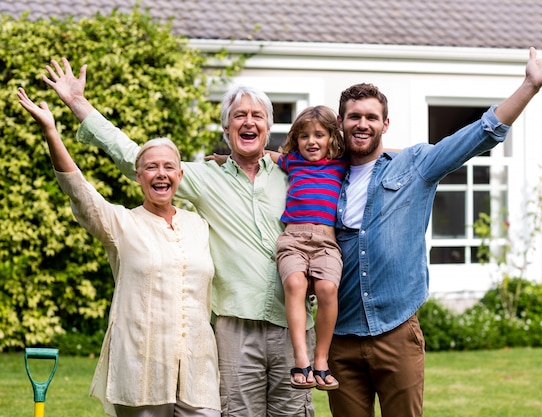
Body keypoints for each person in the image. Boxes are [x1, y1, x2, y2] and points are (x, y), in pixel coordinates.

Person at [41, 58, 315, 416]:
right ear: (226, 128)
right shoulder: (201, 177)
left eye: (257, 116)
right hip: (235, 328)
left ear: (268, 126)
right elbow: (135, 156)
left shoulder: (294, 173)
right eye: (239, 115)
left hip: (292, 324)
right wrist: (79, 105)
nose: (248, 121)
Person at [327, 40, 542, 417]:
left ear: (385, 124)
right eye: (354, 116)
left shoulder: (415, 165)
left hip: (396, 332)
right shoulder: (323, 175)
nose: (362, 124)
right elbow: (280, 159)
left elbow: (482, 133)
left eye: (371, 117)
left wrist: (530, 86)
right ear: (341, 123)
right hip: (340, 337)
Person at [16, 87, 220, 417]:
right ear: (138, 176)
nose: (161, 174)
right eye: (151, 167)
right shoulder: (121, 223)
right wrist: (51, 132)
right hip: (141, 366)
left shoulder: (200, 226)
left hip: (198, 369)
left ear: (180, 175)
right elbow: (78, 190)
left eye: (169, 167)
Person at [268, 106, 347, 390]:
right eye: (304, 136)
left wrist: (414, 153)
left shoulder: (341, 164)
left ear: (331, 139)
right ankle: (301, 360)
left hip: (326, 241)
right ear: (296, 140)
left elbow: (378, 153)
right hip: (293, 239)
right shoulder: (292, 162)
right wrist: (223, 158)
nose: (311, 141)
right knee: (294, 283)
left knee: (327, 289)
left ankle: (322, 359)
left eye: (319, 135)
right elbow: (264, 155)